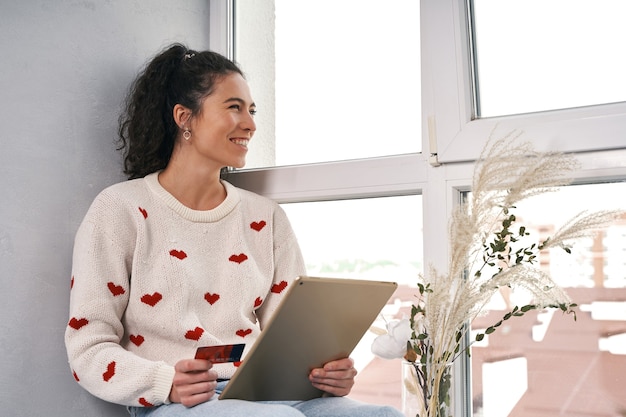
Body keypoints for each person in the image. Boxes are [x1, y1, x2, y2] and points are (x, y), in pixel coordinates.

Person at [65, 43, 403, 417]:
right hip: (178, 402)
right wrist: (165, 382)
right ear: (184, 117)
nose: (250, 124)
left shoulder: (266, 216)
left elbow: (289, 338)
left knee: (381, 415)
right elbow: (88, 346)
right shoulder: (120, 210)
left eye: (252, 110)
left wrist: (327, 374)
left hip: (268, 392)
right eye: (234, 107)